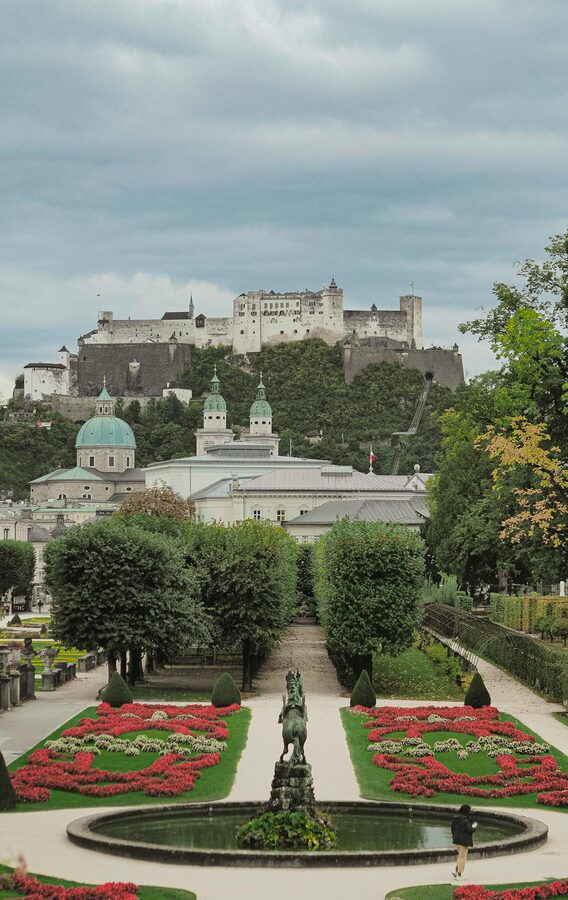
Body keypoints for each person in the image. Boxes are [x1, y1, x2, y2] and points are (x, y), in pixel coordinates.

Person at [451, 804, 477, 878]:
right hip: (464, 841)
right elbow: (470, 830)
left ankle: (456, 872)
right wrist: (474, 826)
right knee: (463, 857)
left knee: (460, 856)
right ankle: (459, 874)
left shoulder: (455, 818)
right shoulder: (465, 820)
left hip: (456, 839)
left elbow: (452, 828)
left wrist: (453, 836)